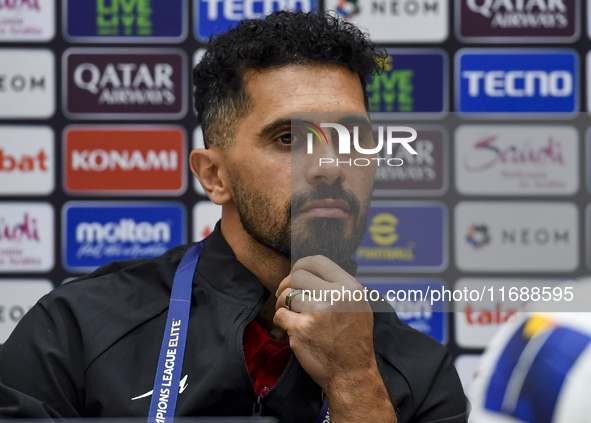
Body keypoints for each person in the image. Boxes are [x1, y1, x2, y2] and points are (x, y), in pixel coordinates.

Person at [0, 10, 468, 423]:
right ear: (214, 175)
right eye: (288, 138)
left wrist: (355, 382)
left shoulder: (421, 373)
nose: (330, 165)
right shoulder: (74, 331)